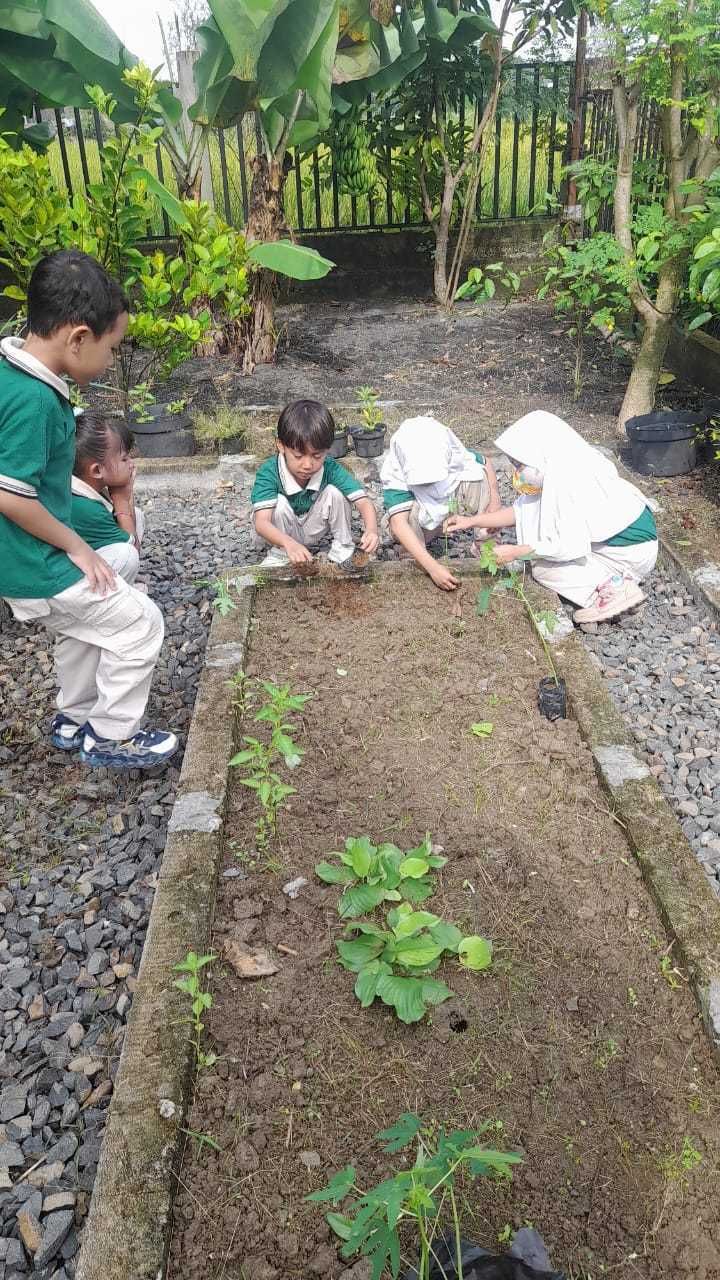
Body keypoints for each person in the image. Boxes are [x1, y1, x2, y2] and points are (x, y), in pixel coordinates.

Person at [0, 248, 177, 769]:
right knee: (140, 622)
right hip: (32, 563)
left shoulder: (15, 374)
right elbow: (9, 493)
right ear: (78, 338)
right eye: (111, 347)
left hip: (25, 557)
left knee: (107, 584)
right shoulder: (33, 400)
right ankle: (113, 735)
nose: (109, 362)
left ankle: (73, 716)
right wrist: (76, 545)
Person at [446, 410, 659, 623]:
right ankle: (612, 582)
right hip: (621, 542)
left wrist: (515, 552)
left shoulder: (567, 482)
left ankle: (612, 588)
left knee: (543, 568)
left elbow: (566, 546)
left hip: (629, 551)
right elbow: (521, 511)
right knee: (538, 549)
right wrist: (473, 521)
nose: (516, 473)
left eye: (519, 465)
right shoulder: (564, 464)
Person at [252, 398, 379, 568]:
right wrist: (288, 543)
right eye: (298, 456)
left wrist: (371, 530)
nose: (307, 465)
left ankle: (343, 547)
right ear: (281, 446)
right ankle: (281, 553)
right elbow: (261, 523)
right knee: (279, 505)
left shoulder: (330, 467)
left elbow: (363, 502)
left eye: (317, 456)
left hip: (312, 528)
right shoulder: (269, 471)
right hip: (280, 534)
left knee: (335, 493)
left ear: (327, 450)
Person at [380, 415, 501, 591]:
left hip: (452, 510)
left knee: (478, 477)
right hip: (421, 519)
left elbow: (485, 463)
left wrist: (495, 501)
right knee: (402, 522)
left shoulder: (450, 451)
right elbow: (399, 524)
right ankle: (415, 555)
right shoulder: (396, 471)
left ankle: (486, 546)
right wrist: (433, 568)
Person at [71, 410, 145, 585]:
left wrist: (126, 493)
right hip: (65, 580)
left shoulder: (84, 486)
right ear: (97, 470)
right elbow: (133, 547)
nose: (131, 464)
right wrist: (121, 499)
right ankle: (109, 599)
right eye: (124, 459)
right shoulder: (85, 508)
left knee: (137, 515)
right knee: (127, 556)